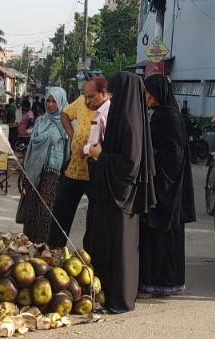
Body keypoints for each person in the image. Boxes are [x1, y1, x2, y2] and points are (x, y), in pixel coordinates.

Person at [87, 72, 156, 313]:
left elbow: (131, 163)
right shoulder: (123, 115)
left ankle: (119, 298)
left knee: (120, 248)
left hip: (122, 194)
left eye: (115, 94)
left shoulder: (130, 120)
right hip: (113, 192)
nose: (112, 99)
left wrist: (100, 156)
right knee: (107, 244)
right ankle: (106, 293)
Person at [137, 74, 196, 298]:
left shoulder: (166, 116)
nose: (146, 96)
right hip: (167, 184)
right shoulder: (168, 113)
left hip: (166, 186)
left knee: (159, 233)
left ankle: (156, 285)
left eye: (149, 92)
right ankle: (164, 283)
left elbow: (174, 154)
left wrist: (149, 157)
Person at [47, 77, 111, 249]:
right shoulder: (82, 101)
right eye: (86, 96)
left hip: (96, 171)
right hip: (76, 167)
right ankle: (54, 249)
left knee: (94, 216)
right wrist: (71, 133)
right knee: (62, 209)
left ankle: (88, 255)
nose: (88, 100)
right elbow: (65, 113)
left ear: (103, 93)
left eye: (91, 97)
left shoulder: (110, 109)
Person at [21, 87, 70, 244]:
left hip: (53, 172)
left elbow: (69, 147)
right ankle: (29, 244)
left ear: (61, 101)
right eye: (48, 101)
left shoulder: (66, 122)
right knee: (31, 207)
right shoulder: (41, 120)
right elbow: (32, 146)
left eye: (54, 101)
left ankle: (43, 245)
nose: (50, 104)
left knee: (46, 209)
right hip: (35, 170)